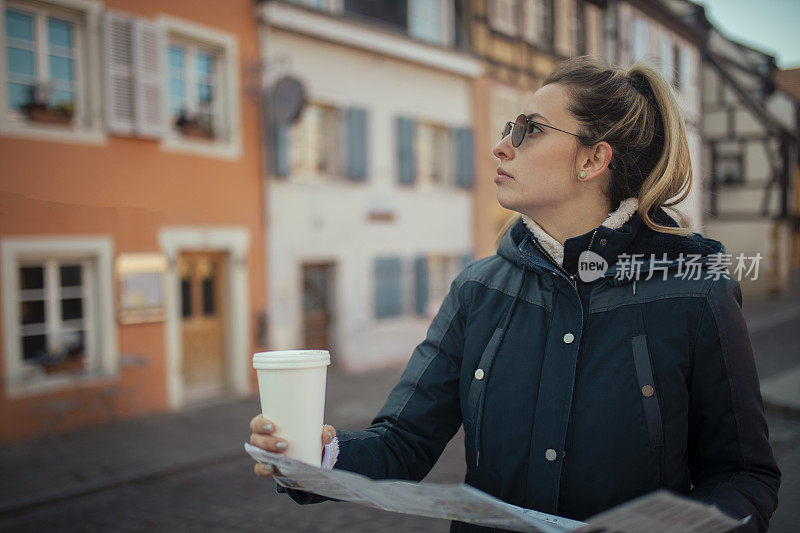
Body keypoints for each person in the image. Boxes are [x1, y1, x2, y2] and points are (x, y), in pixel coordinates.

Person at [248, 56, 781, 532]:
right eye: (510, 126)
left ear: (593, 160)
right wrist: (314, 457)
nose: (502, 145)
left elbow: (742, 476)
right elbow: (401, 444)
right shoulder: (477, 290)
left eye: (529, 130)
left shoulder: (695, 291)